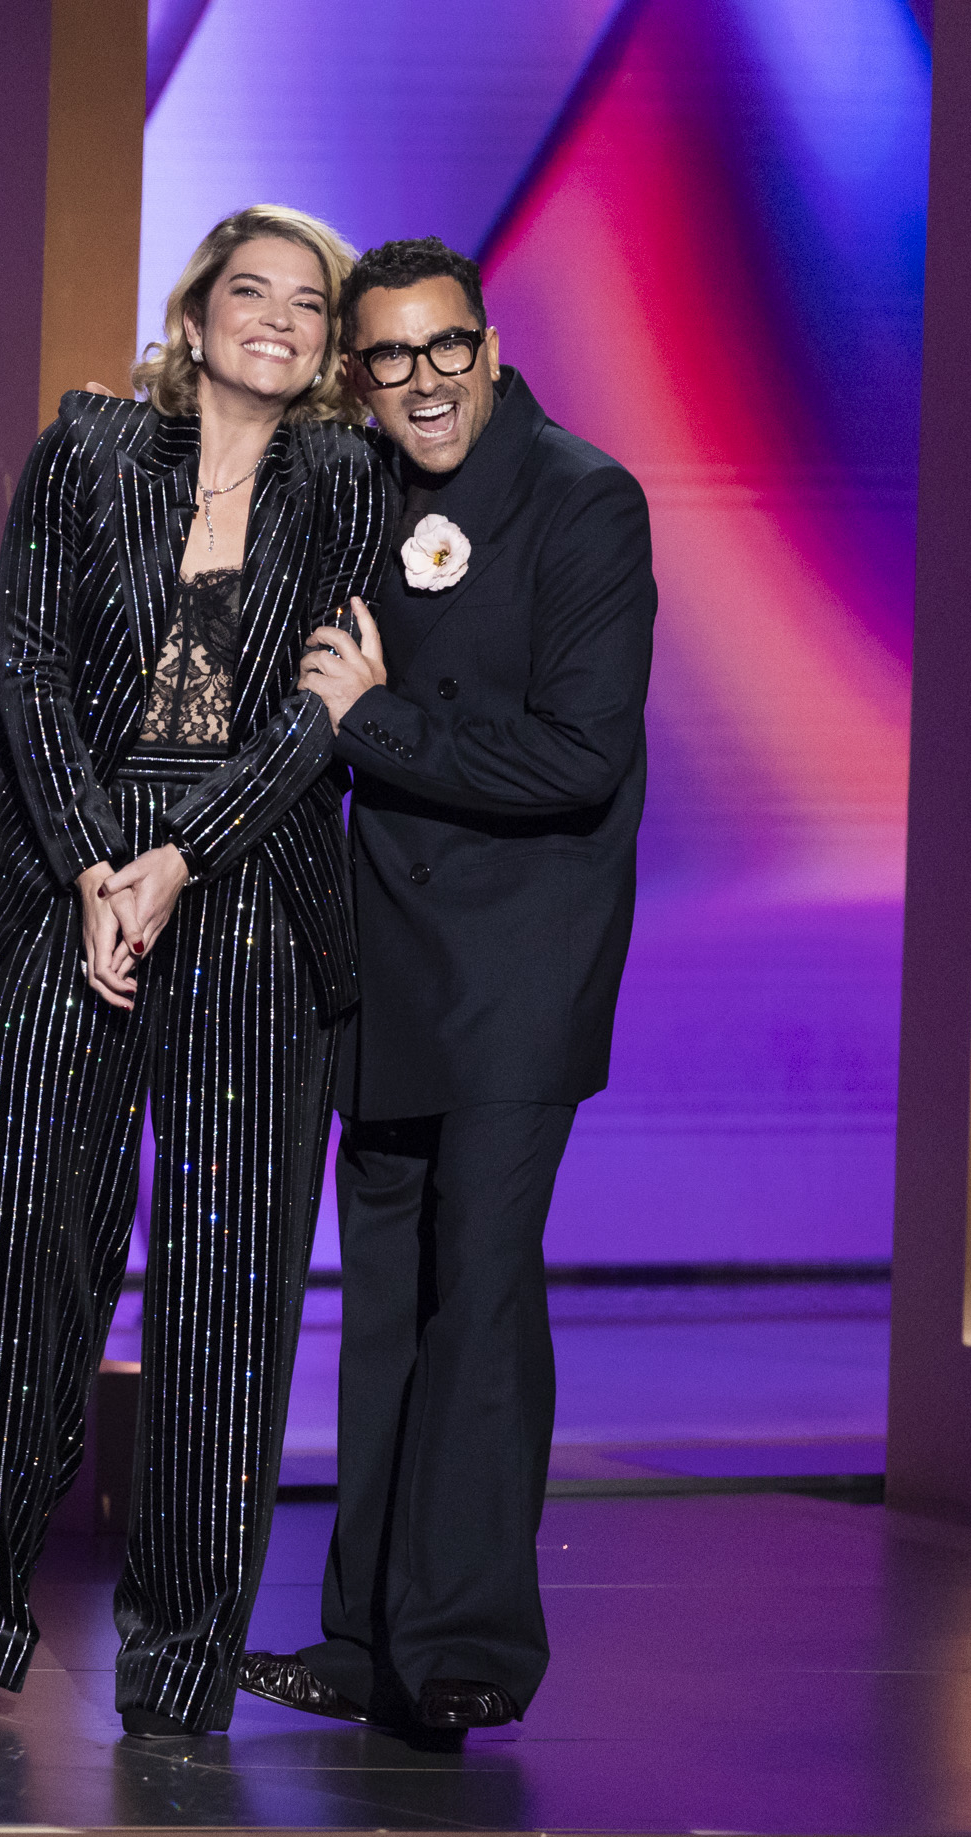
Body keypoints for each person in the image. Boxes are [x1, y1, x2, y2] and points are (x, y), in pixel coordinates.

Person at [0, 206, 389, 1739]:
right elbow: (29, 664)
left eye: (308, 305)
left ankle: (183, 1647)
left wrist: (180, 861)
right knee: (26, 1252)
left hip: (249, 886)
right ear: (193, 317)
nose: (279, 319)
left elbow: (322, 715)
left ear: (326, 346)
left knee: (227, 1283)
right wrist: (103, 864)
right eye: (250, 291)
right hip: (72, 868)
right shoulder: (89, 449)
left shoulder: (349, 479)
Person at [241, 236, 656, 1740]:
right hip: (386, 962)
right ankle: (365, 1639)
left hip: (518, 965)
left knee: (480, 1290)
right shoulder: (357, 491)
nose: (419, 382)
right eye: (388, 357)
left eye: (444, 349)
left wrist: (377, 727)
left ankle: (470, 1639)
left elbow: (578, 756)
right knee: (391, 1312)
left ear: (489, 344)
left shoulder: (584, 499)